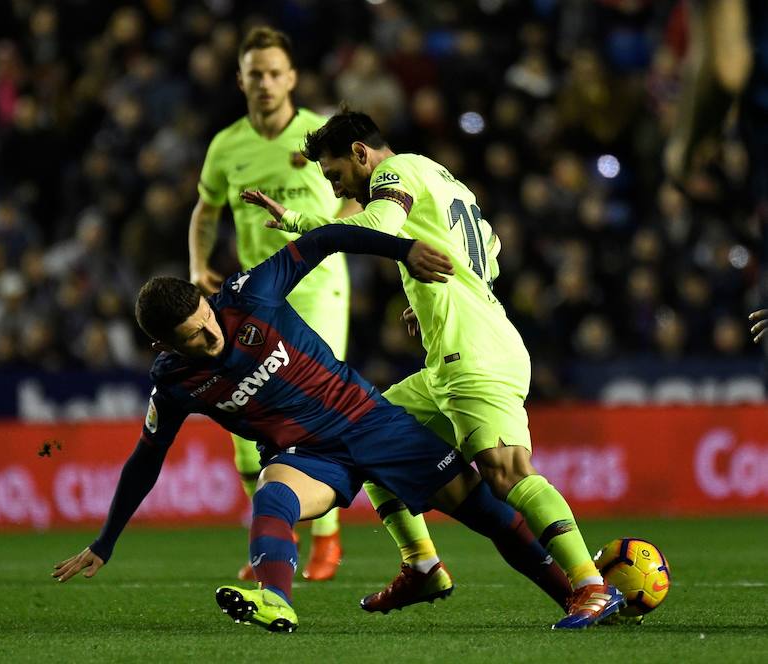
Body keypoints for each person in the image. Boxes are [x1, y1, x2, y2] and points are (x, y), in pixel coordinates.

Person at [52, 224, 588, 632]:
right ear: (164, 345)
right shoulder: (172, 383)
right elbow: (146, 460)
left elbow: (325, 238)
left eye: (206, 318)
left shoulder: (248, 296)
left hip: (370, 421)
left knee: (489, 515)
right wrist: (106, 541)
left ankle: (577, 596)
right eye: (193, 336)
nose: (210, 334)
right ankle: (277, 600)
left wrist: (403, 251)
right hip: (309, 456)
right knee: (272, 496)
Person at [241, 110, 624, 629]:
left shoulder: (391, 175)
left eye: (335, 176)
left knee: (506, 470)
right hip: (456, 349)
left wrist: (304, 226)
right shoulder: (444, 178)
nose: (337, 189)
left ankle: (592, 586)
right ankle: (421, 563)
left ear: (360, 153)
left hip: (476, 351)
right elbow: (489, 254)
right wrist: (432, 299)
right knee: (370, 432)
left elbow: (380, 227)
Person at [189, 25, 444, 590]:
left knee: (311, 411)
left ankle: (326, 538)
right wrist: (196, 265)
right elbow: (205, 210)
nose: (265, 82)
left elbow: (369, 204)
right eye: (255, 73)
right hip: (257, 296)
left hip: (319, 286)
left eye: (275, 72)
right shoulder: (225, 145)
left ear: (292, 78)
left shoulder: (318, 136)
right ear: (240, 80)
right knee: (246, 433)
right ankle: (277, 534)